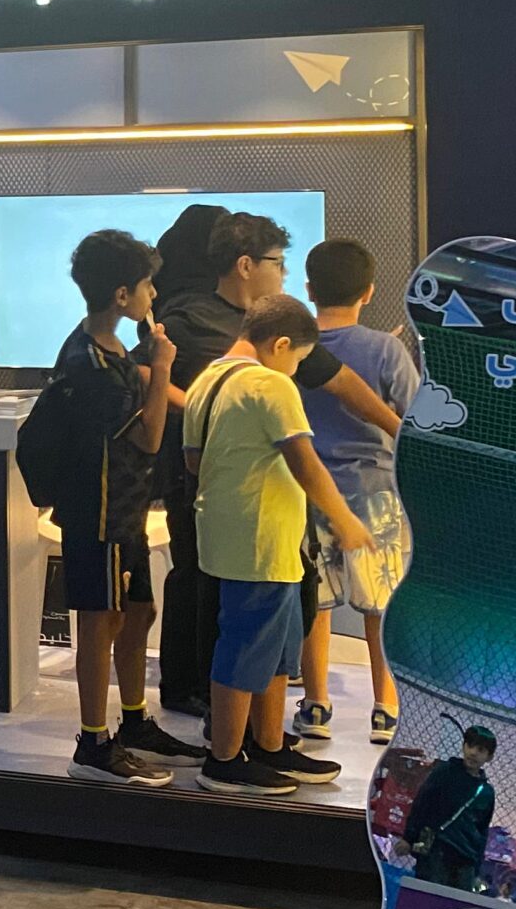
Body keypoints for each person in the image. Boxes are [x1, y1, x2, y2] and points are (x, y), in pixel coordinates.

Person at [152, 209, 402, 718]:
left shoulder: (275, 326)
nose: (284, 274)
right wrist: (212, 407)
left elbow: (340, 381)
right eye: (277, 263)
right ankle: (204, 707)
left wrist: (399, 429)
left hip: (269, 508)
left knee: (275, 613)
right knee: (209, 595)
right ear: (245, 265)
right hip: (214, 492)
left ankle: (259, 729)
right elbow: (149, 377)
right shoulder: (192, 321)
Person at [182, 296, 371, 797]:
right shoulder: (271, 384)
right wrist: (345, 519)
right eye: (299, 359)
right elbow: (304, 460)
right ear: (281, 344)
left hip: (237, 535)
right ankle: (225, 759)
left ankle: (268, 745)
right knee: (246, 645)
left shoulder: (206, 381)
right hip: (261, 539)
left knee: (276, 648)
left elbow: (194, 460)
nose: (297, 370)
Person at [43, 231, 206, 784]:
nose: (153, 293)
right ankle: (92, 743)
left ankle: (134, 722)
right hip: (100, 512)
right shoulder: (91, 363)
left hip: (126, 508)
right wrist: (163, 367)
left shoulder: (105, 348)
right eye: (146, 285)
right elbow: (151, 436)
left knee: (139, 612)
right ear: (121, 294)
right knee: (100, 619)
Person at [295, 240, 419, 747]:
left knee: (315, 604)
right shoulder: (385, 350)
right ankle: (385, 709)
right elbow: (415, 415)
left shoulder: (291, 348)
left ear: (308, 290)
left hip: (306, 491)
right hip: (375, 491)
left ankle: (316, 704)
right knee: (381, 605)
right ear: (368, 291)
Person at [401, 726, 496, 891]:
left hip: (466, 859)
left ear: (489, 757)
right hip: (437, 850)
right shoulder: (445, 772)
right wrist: (409, 838)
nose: (473, 752)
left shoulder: (486, 792)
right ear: (463, 746)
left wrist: (475, 868)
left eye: (480, 750)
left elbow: (482, 831)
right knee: (429, 894)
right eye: (470, 745)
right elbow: (422, 804)